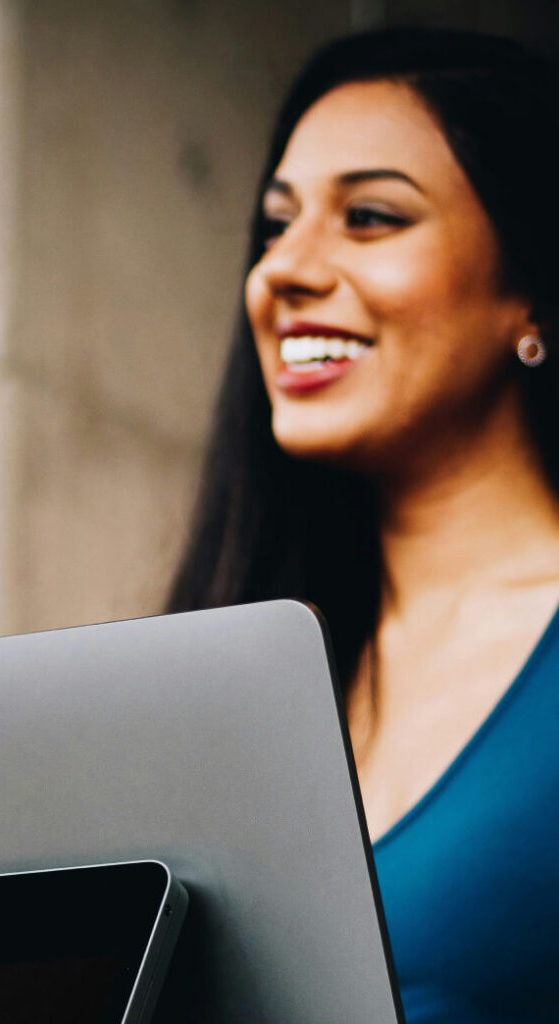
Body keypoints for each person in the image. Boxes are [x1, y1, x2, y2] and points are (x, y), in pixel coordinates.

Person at [168, 28, 559, 1024]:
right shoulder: (228, 666)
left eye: (371, 216)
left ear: (532, 289)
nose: (280, 273)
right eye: (275, 225)